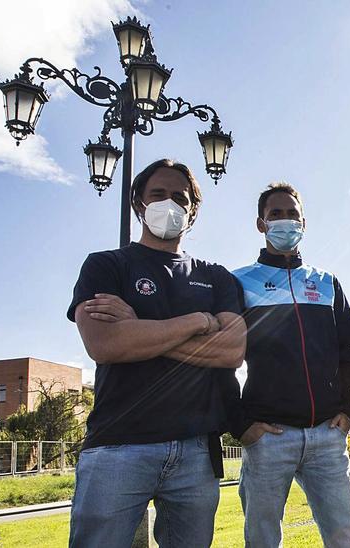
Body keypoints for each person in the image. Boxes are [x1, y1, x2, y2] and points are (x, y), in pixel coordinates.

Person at [66, 158, 246, 547]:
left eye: (180, 198)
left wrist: (139, 329)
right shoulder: (105, 265)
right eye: (158, 194)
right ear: (138, 203)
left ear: (193, 210)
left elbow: (232, 349)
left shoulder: (216, 276)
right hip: (117, 447)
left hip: (196, 451)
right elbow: (105, 344)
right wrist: (198, 321)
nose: (169, 204)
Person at [230, 182, 350, 547]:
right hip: (268, 437)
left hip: (327, 435)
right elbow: (221, 360)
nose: (285, 221)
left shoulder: (327, 282)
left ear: (304, 222)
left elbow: (347, 350)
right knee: (262, 540)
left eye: (292, 214)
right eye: (276, 215)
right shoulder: (238, 282)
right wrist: (240, 423)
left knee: (343, 538)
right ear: (261, 223)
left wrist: (349, 409)